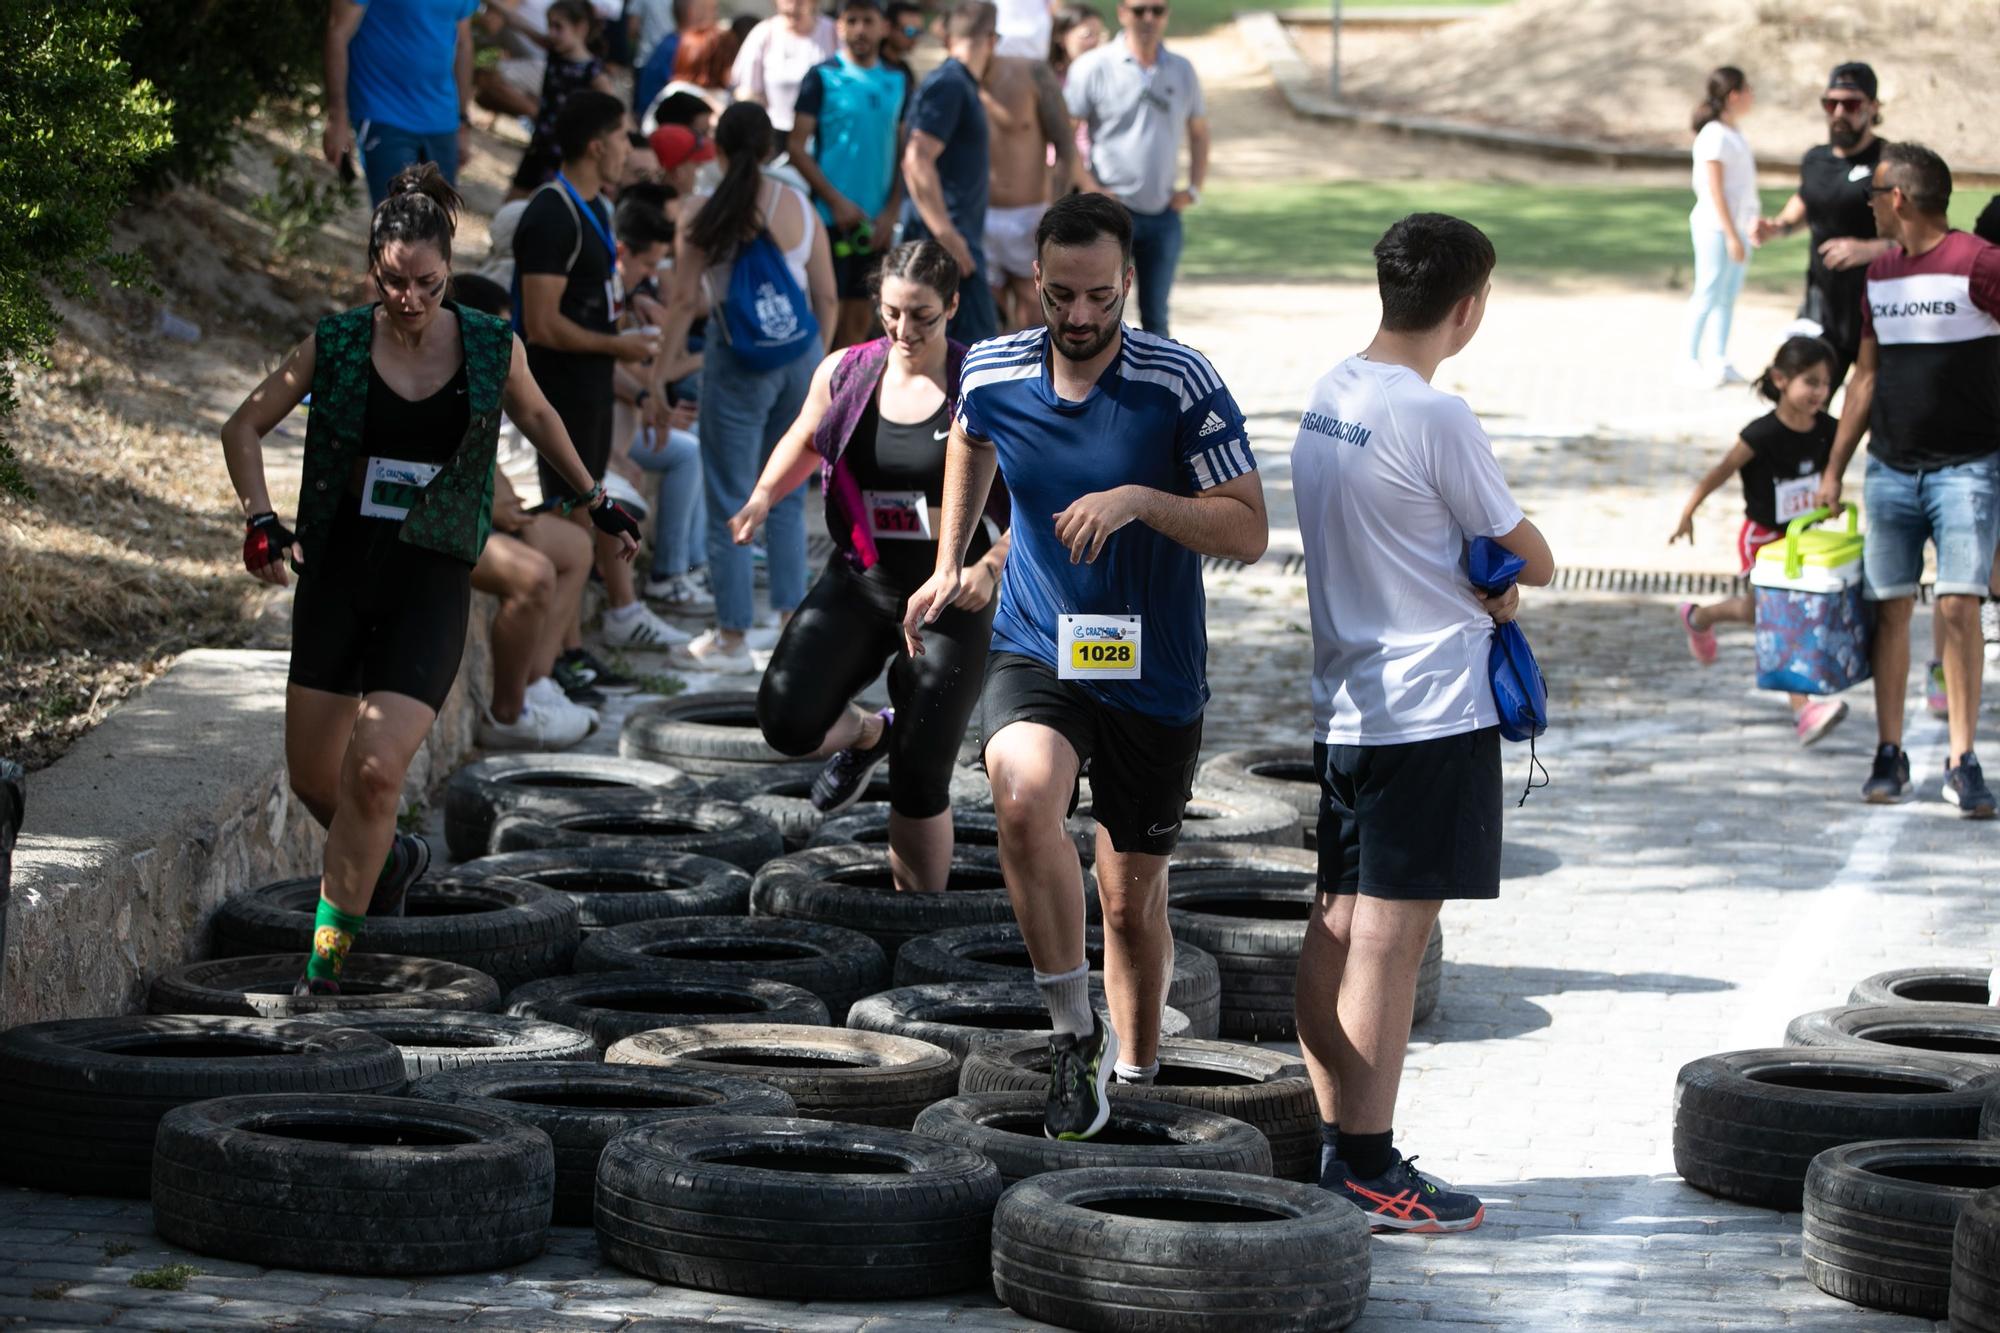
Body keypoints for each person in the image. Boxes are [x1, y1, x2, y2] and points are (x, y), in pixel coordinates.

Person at [218, 164, 641, 996]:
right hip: (339, 576)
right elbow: (244, 424)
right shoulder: (336, 341)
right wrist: (260, 517)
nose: (408, 297)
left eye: (425, 282)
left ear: (448, 270)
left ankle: (326, 969)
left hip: (430, 582)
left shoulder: (488, 344)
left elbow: (541, 418)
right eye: (391, 280)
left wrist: (595, 500)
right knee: (317, 778)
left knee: (375, 773)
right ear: (371, 267)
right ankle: (397, 856)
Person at [902, 193, 1267, 1138]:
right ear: (1037, 281)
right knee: (1021, 794)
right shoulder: (989, 367)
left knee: (1131, 896)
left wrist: (1142, 499)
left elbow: (1250, 526)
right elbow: (969, 443)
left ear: (1128, 284)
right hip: (1039, 643)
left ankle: (1137, 1075)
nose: (1078, 315)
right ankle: (1072, 1032)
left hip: (1155, 671)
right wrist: (952, 561)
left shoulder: (1179, 382)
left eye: (1099, 296)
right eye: (1061, 294)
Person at [1289, 212, 1554, 1233]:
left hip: (1348, 698)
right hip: (1428, 709)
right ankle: (1365, 1157)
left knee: (1340, 922)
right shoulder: (1433, 415)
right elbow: (1525, 551)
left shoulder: (1329, 394)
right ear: (1466, 307)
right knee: (1389, 944)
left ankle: (1331, 1135)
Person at [734, 242, 1010, 890]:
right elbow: (807, 437)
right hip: (863, 578)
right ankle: (867, 734)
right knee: (786, 718)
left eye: (922, 316)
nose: (904, 331)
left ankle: (917, 934)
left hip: (951, 594)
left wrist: (991, 565)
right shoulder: (847, 371)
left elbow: (1035, 494)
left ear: (953, 307)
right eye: (891, 313)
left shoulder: (982, 384)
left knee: (919, 779)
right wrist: (762, 496)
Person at [1816, 143, 2000, 818]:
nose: (1870, 205)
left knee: (1959, 606)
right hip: (1890, 471)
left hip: (1968, 470)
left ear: (1898, 198)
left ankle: (1962, 759)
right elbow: (1864, 376)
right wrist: (1836, 467)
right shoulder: (1882, 274)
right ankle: (1889, 751)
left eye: (1875, 195)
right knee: (1889, 610)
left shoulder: (1982, 263)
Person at [657, 101, 838, 673]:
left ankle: (733, 635)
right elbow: (827, 295)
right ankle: (789, 626)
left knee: (731, 493)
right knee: (782, 489)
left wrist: (659, 374)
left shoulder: (700, 213)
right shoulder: (800, 207)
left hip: (736, 361)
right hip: (799, 358)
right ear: (767, 150)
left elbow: (685, 302)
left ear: (722, 149)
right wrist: (816, 366)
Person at [515, 91, 691, 656]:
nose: (627, 147)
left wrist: (625, 314)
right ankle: (551, 667)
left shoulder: (594, 207)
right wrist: (616, 343)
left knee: (579, 534)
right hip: (555, 402)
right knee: (566, 538)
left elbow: (589, 302)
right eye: (620, 136)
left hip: (587, 400)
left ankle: (567, 658)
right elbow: (541, 325)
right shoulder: (549, 211)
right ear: (596, 146)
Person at [1670, 336, 1848, 744]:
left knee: (1756, 612)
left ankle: (1699, 618)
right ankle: (1803, 710)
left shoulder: (1829, 430)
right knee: (1783, 617)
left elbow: (1828, 476)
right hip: (1763, 541)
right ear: (1781, 380)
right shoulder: (1761, 434)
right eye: (1811, 382)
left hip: (1805, 540)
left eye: (1826, 384)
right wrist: (1688, 511)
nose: (1820, 392)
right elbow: (1721, 470)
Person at [1064, 0, 1207, 337]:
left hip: (1163, 214)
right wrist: (1089, 185)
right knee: (1104, 311)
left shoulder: (1182, 70)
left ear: (1167, 16)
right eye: (1140, 10)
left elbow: (1199, 133)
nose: (1148, 19)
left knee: (1156, 316)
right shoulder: (1094, 66)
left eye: (1157, 11)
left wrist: (1194, 188)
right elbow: (1065, 134)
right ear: (1122, 13)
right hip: (1110, 214)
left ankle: (1158, 388)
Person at [1753, 63, 1893, 388]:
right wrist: (1778, 226)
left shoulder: (1889, 162)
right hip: (1823, 307)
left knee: (1880, 405)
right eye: (1831, 103)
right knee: (1802, 399)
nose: (1839, 112)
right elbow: (1807, 200)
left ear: (1873, 107)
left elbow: (1919, 232)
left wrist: (1868, 248)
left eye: (1852, 103)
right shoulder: (1815, 159)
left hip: (1876, 309)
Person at [790, 0, 914, 349]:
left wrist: (890, 213)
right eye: (852, 20)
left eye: (868, 20)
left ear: (883, 27)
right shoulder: (821, 76)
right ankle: (819, 398)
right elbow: (797, 147)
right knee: (824, 317)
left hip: (875, 226)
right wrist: (836, 202)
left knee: (860, 323)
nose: (860, 29)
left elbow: (906, 153)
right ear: (839, 27)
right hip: (829, 221)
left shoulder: (898, 79)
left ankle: (849, 400)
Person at [902, 1, 1003, 346]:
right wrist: (946, 232)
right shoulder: (951, 84)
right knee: (980, 357)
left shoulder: (958, 83)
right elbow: (916, 158)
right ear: (991, 39)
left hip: (955, 240)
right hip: (946, 246)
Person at [322, 0, 479, 208]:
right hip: (383, 111)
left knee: (438, 225)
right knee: (396, 221)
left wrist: (462, 121)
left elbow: (464, 44)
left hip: (443, 119)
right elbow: (337, 33)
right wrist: (337, 117)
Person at [981, 54, 1077, 330]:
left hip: (1030, 214)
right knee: (989, 322)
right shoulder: (957, 80)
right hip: (979, 216)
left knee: (1035, 315)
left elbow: (1065, 145)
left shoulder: (1033, 73)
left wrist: (1055, 214)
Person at [1686, 66, 1759, 387]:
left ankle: (1718, 357)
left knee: (1727, 295)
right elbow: (1715, 190)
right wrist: (1731, 234)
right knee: (1708, 290)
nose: (1752, 96)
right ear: (1734, 95)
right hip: (1715, 227)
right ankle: (1688, 359)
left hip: (1738, 225)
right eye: (1748, 89)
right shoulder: (1714, 135)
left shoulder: (1734, 132)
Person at [509, 0, 620, 199]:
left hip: (563, 156)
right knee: (513, 201)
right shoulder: (555, 52)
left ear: (581, 28)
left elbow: (614, 113)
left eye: (558, 27)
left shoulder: (592, 72)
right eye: (549, 26)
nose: (551, 33)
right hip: (540, 145)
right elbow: (517, 22)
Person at [732, 0, 839, 135]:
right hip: (774, 133)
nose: (793, 5)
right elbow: (746, 90)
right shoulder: (763, 33)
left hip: (825, 133)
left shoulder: (833, 32)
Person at [1049, 2, 1103, 81]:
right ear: (1061, 38)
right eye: (1087, 35)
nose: (1094, 41)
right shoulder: (1047, 78)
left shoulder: (1103, 78)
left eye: (1098, 34)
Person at [883, 0, 925, 71]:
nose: (915, 38)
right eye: (910, 31)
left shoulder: (904, 69)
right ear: (888, 28)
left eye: (918, 32)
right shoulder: (868, 65)